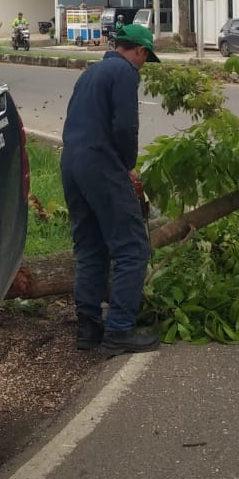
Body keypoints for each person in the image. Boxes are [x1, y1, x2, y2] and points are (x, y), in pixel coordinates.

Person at [61, 21, 161, 355]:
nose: (144, 64)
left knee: (91, 246)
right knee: (133, 248)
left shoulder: (91, 72)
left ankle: (88, 329)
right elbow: (125, 126)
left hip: (72, 164)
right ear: (140, 51)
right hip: (100, 164)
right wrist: (128, 166)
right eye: (146, 57)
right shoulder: (125, 72)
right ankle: (119, 330)